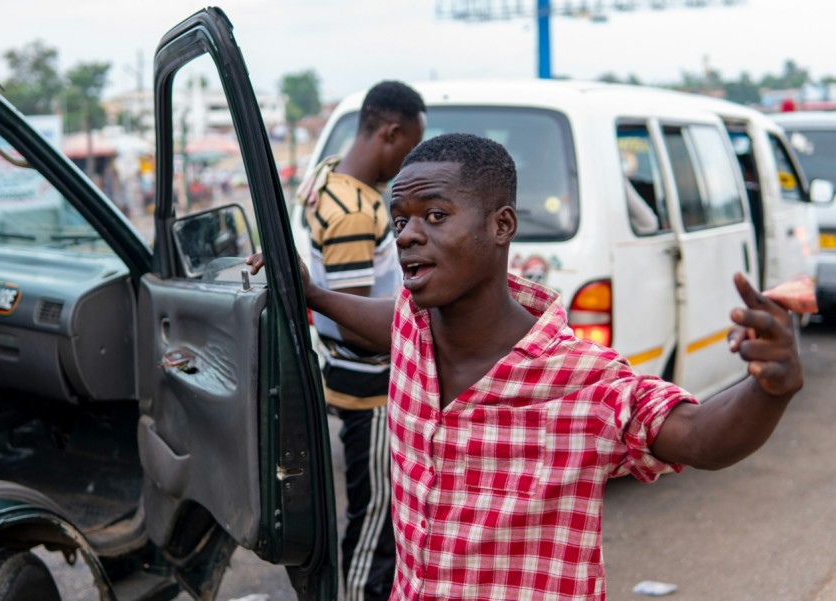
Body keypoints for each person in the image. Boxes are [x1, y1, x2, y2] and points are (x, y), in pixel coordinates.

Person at [288, 132, 803, 601]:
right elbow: (383, 319)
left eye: (435, 215)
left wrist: (769, 390)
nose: (406, 235)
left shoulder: (584, 381)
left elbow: (700, 438)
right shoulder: (413, 331)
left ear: (501, 225)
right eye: (400, 220)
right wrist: (313, 294)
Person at [251, 80, 426, 601]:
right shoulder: (355, 209)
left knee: (376, 514)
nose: (410, 162)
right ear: (390, 133)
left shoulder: (327, 178)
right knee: (376, 519)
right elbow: (353, 320)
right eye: (411, 148)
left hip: (350, 377)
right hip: (371, 390)